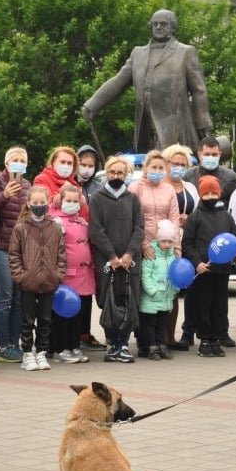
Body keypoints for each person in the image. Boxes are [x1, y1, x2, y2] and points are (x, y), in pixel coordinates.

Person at [83, 8, 213, 152]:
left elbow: (199, 90)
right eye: (155, 24)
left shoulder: (185, 52)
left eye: (163, 24)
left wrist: (204, 123)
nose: (158, 27)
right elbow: (118, 82)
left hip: (175, 127)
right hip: (145, 127)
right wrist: (92, 105)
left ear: (173, 27)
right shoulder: (138, 53)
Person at [88, 156, 143, 363]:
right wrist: (112, 256)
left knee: (129, 300)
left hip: (130, 261)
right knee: (107, 301)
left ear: (126, 174)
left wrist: (129, 254)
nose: (116, 176)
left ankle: (123, 344)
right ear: (106, 173)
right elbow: (96, 230)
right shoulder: (97, 198)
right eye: (112, 172)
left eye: (120, 173)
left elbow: (139, 228)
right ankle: (112, 344)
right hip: (107, 261)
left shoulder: (132, 199)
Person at [9, 184, 66, 373]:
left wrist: (58, 275)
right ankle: (27, 353)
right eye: (35, 202)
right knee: (27, 319)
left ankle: (41, 351)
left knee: (45, 319)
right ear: (28, 203)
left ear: (48, 203)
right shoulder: (21, 228)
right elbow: (14, 254)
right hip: (28, 282)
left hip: (49, 281)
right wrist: (20, 276)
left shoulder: (55, 228)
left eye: (43, 202)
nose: (39, 205)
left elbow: (61, 253)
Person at [0, 147, 29, 362]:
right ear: (7, 163)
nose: (18, 163)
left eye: (22, 160)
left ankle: (15, 342)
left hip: (22, 250)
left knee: (19, 300)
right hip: (0, 249)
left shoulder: (28, 185)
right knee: (5, 298)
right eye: (15, 160)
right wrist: (5, 195)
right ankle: (3, 345)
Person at [182, 174, 236, 357]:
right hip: (204, 270)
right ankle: (205, 339)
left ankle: (216, 339)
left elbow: (233, 239)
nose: (211, 196)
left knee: (219, 306)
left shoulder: (226, 217)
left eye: (215, 193)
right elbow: (187, 243)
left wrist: (231, 258)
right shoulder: (195, 217)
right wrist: (197, 263)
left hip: (222, 270)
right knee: (203, 305)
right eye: (207, 193)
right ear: (201, 195)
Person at [50, 184, 94, 364]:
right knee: (62, 315)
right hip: (66, 276)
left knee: (78, 313)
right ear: (61, 201)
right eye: (68, 200)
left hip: (84, 275)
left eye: (76, 201)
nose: (72, 204)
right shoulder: (55, 221)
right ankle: (60, 348)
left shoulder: (82, 222)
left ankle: (74, 345)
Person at [164, 144, 199, 350]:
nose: (178, 167)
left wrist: (190, 220)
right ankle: (156, 336)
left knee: (177, 290)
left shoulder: (190, 188)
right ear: (167, 164)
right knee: (162, 288)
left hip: (186, 242)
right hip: (164, 243)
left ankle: (171, 336)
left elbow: (199, 211)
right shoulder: (161, 185)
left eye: (182, 164)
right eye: (174, 163)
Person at [138, 219, 180, 360]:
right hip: (151, 298)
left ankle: (162, 345)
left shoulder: (173, 257)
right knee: (149, 325)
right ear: (158, 240)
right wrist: (152, 291)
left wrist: (175, 290)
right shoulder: (151, 256)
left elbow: (175, 275)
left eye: (170, 242)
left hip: (166, 298)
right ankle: (150, 347)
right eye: (164, 241)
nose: (167, 245)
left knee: (162, 324)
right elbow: (146, 276)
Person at [185, 136, 236, 206]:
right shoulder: (188, 176)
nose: (211, 157)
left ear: (219, 154)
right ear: (199, 155)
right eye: (207, 154)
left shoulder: (231, 177)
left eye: (214, 154)